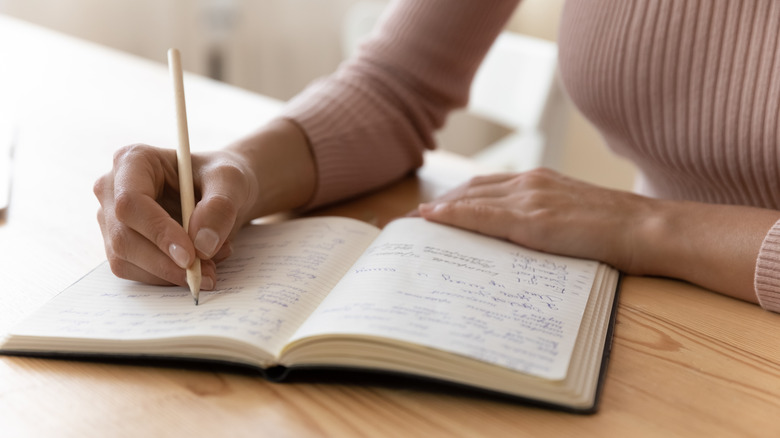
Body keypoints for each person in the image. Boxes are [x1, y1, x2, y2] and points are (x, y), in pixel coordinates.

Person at [93, 0, 780, 313]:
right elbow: (398, 86)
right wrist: (237, 172)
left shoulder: (640, 231)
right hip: (658, 307)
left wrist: (647, 226)